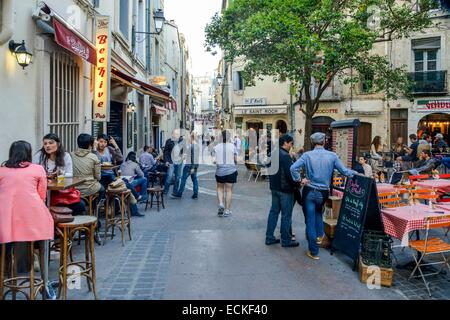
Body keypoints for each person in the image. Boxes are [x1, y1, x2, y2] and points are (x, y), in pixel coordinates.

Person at [291, 132, 357, 260]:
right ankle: (319, 236)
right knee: (318, 214)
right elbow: (345, 172)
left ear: (312, 142)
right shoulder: (332, 156)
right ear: (324, 142)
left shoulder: (307, 155)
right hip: (323, 192)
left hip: (309, 191)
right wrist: (358, 174)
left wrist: (300, 180)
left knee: (310, 220)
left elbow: (293, 168)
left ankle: (314, 251)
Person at [0, 141, 54, 244]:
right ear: (28, 153)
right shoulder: (38, 169)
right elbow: (42, 196)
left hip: (5, 218)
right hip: (31, 216)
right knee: (43, 219)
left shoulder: (2, 170)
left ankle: (7, 257)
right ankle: (36, 255)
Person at [33, 133, 86, 216]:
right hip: (43, 190)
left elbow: (70, 174)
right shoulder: (39, 156)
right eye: (45, 143)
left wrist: (60, 173)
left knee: (80, 205)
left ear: (58, 144)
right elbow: (33, 172)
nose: (47, 146)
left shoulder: (65, 156)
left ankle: (67, 225)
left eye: (51, 143)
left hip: (60, 191)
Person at [265, 134, 301, 247]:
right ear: (285, 143)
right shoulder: (285, 156)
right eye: (291, 144)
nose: (291, 146)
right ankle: (286, 240)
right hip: (285, 190)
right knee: (286, 215)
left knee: (274, 212)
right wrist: (298, 183)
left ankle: (269, 237)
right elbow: (290, 174)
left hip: (274, 188)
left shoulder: (273, 153)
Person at [213, 130, 238, 217]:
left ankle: (221, 203)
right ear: (229, 137)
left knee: (219, 188)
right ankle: (227, 210)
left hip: (220, 171)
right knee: (229, 190)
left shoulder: (216, 147)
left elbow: (215, 160)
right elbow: (236, 160)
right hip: (231, 171)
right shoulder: (232, 146)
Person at [72, 134, 104, 199]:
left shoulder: (71, 154)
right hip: (90, 188)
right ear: (90, 145)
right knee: (103, 190)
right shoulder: (93, 157)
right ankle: (95, 207)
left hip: (74, 187)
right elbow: (98, 177)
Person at [172, 133, 200, 199]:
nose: (188, 139)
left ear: (192, 138)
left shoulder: (192, 147)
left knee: (183, 179)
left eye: (189, 138)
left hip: (189, 166)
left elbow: (193, 157)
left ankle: (179, 194)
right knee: (194, 179)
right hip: (194, 165)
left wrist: (192, 167)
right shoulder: (197, 146)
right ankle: (195, 194)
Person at [162, 129, 185, 196]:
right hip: (171, 161)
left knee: (178, 177)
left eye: (178, 134)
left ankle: (175, 192)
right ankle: (165, 190)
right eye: (175, 134)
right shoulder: (168, 141)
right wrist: (166, 161)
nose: (177, 135)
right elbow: (165, 152)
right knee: (169, 176)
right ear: (172, 134)